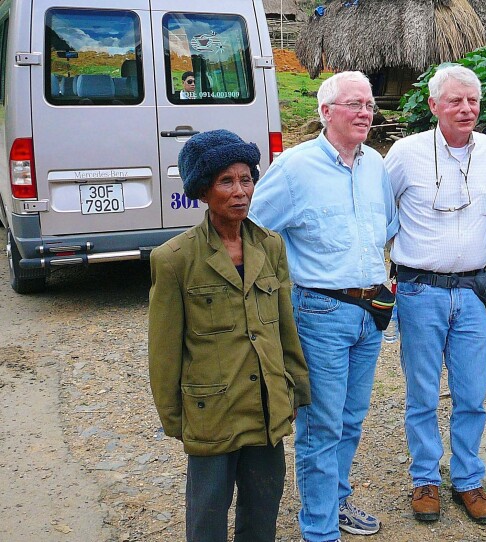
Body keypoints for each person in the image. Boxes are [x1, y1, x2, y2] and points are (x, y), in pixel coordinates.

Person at [248, 71, 397, 542]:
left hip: (371, 311)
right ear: (325, 112)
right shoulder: (294, 168)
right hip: (319, 312)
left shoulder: (376, 164)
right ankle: (319, 530)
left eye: (369, 105)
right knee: (321, 424)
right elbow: (253, 230)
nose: (364, 113)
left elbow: (386, 230)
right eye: (354, 104)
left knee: (351, 418)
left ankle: (335, 500)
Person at [148, 129, 311, 542]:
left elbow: (284, 328)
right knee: (207, 515)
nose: (240, 192)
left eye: (247, 179)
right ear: (203, 190)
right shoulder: (175, 260)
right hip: (212, 411)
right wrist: (176, 418)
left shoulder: (271, 246)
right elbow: (164, 352)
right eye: (226, 181)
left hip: (266, 406)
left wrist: (293, 389)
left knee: (263, 506)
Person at [383, 64, 486, 524]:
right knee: (421, 393)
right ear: (434, 105)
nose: (466, 108)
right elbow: (379, 212)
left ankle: (468, 480)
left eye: (473, 100)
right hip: (420, 291)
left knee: (473, 393)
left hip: (473, 293)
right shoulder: (405, 152)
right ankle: (425, 480)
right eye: (455, 100)